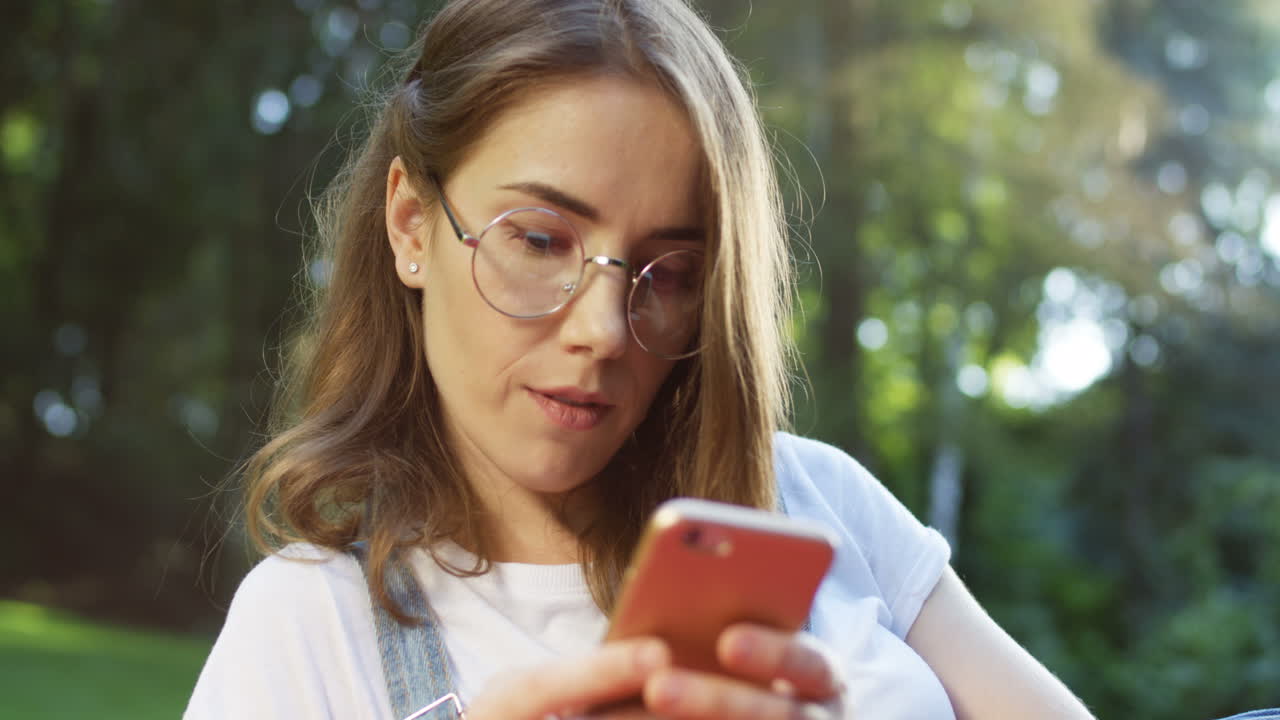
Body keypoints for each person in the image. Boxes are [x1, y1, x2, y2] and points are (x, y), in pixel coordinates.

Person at [186, 0, 1099, 718]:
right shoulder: (311, 627)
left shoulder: (818, 500)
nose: (605, 331)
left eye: (672, 271)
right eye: (540, 240)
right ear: (410, 225)